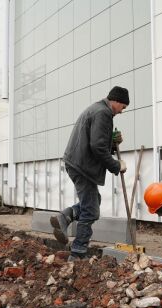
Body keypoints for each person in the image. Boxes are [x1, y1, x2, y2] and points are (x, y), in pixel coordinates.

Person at [50, 86, 129, 261]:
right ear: (116, 101)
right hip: (82, 166)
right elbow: (98, 147)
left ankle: (64, 217)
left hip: (78, 162)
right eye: (123, 107)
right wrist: (116, 165)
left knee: (94, 201)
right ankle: (78, 253)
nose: (122, 111)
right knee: (91, 211)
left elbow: (97, 141)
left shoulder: (97, 108)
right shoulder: (104, 113)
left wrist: (112, 141)